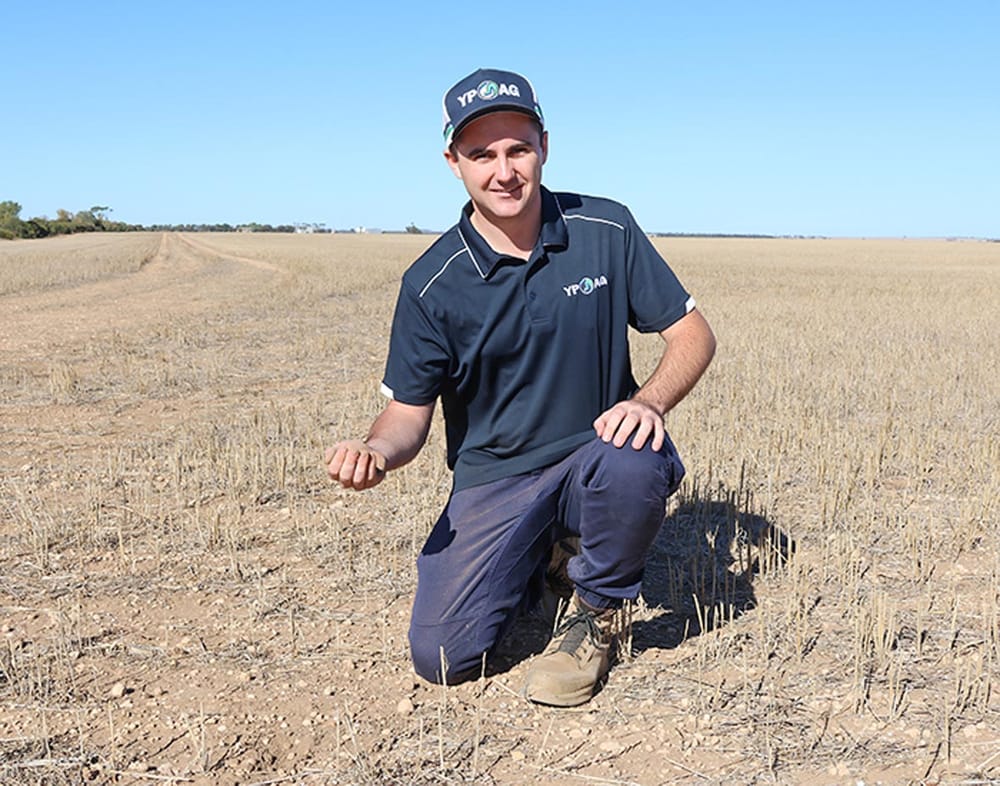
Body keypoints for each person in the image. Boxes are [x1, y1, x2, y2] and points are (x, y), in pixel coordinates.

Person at [326, 68, 716, 706]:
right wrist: (375, 451)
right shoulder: (431, 284)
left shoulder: (606, 229)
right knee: (443, 656)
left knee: (635, 456)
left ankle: (597, 613)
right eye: (482, 154)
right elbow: (406, 416)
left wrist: (647, 402)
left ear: (544, 147)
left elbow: (693, 334)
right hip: (496, 480)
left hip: (594, 454)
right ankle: (550, 553)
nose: (504, 171)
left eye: (518, 149)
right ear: (453, 163)